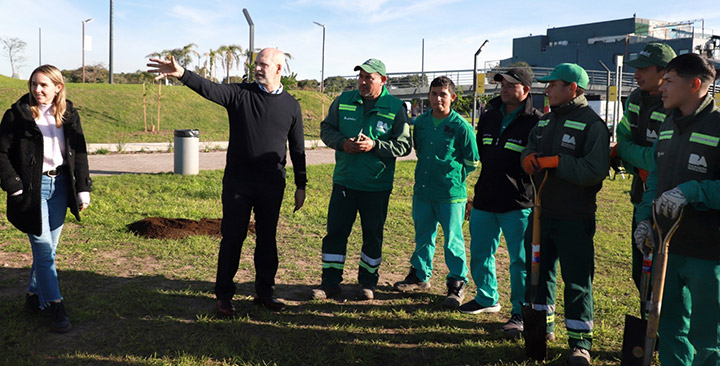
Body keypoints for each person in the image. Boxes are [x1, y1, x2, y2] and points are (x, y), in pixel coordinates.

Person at [147, 48, 307, 313]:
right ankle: (224, 295)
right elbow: (209, 88)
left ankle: (264, 292)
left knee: (268, 239)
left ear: (279, 69)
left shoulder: (291, 105)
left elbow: (298, 148)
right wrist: (182, 74)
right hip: (238, 183)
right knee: (233, 237)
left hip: (271, 184)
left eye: (263, 64)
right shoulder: (240, 94)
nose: (257, 67)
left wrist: (301, 185)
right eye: (256, 63)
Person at [633, 53, 720, 366]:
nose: (662, 88)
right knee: (669, 326)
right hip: (667, 246)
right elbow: (655, 177)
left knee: (707, 335)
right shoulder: (668, 124)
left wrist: (692, 191)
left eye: (669, 81)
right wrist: (645, 219)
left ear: (695, 84)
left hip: (709, 254)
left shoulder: (718, 126)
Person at [520, 63, 609, 365]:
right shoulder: (544, 122)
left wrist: (558, 162)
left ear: (572, 88)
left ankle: (580, 342)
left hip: (574, 216)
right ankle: (542, 330)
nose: (547, 89)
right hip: (541, 214)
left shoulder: (592, 125)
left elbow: (595, 171)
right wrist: (528, 158)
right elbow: (529, 148)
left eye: (553, 84)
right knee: (538, 274)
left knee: (577, 280)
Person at [0, 64, 92, 333]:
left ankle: (32, 295)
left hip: (61, 186)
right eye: (33, 84)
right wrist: (14, 186)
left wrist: (82, 188)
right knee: (44, 252)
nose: (37, 90)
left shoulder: (69, 114)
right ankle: (56, 305)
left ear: (58, 88)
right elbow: (1, 154)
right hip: (32, 189)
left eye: (43, 85)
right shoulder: (18, 116)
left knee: (48, 251)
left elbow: (80, 152)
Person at [312, 58, 411, 301]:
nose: (363, 82)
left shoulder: (395, 107)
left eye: (369, 78)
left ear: (383, 80)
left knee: (372, 235)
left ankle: (368, 283)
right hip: (344, 182)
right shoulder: (343, 101)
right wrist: (342, 143)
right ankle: (330, 283)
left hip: (376, 186)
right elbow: (326, 129)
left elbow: (405, 145)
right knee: (335, 233)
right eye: (361, 77)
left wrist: (375, 145)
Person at [457, 68, 541, 338]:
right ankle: (486, 298)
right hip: (485, 199)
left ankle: (520, 312)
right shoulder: (490, 116)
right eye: (502, 84)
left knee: (520, 260)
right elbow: (484, 155)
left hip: (518, 203)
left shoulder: (535, 122)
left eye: (511, 84)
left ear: (525, 90)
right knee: (480, 252)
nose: (504, 88)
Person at [392, 76, 479, 308]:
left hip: (451, 194)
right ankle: (420, 275)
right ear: (428, 96)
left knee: (453, 241)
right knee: (423, 235)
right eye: (433, 93)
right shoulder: (420, 123)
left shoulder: (462, 127)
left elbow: (472, 161)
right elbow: (420, 151)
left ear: (452, 97)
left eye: (443, 94)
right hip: (423, 191)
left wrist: (452, 177)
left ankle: (457, 283)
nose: (438, 98)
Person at [614, 43, 676, 294]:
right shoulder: (635, 99)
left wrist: (629, 153)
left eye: (643, 69)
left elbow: (660, 160)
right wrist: (635, 159)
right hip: (641, 198)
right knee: (641, 271)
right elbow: (623, 139)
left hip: (673, 205)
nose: (636, 74)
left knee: (666, 278)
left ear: (665, 72)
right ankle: (648, 328)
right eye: (635, 68)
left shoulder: (675, 103)